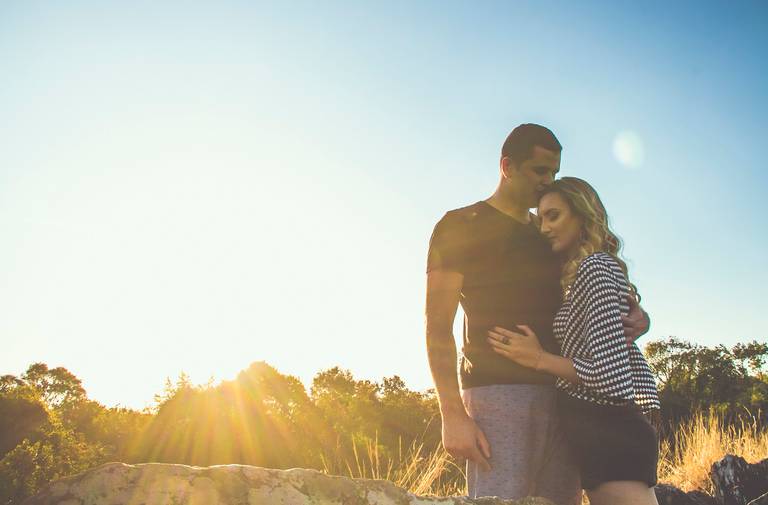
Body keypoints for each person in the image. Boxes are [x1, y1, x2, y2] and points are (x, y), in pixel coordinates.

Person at [425, 124, 650, 503]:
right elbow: (436, 325)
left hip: (569, 396)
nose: (548, 182)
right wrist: (452, 414)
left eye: (555, 173)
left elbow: (595, 290)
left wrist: (640, 317)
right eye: (540, 171)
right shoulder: (459, 226)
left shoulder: (550, 230)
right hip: (498, 395)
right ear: (507, 166)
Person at [487, 177, 661, 505]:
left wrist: (539, 359)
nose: (545, 227)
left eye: (554, 216)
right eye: (541, 219)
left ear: (582, 217)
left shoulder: (595, 268)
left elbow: (611, 378)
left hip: (611, 436)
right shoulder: (580, 272)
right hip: (600, 435)